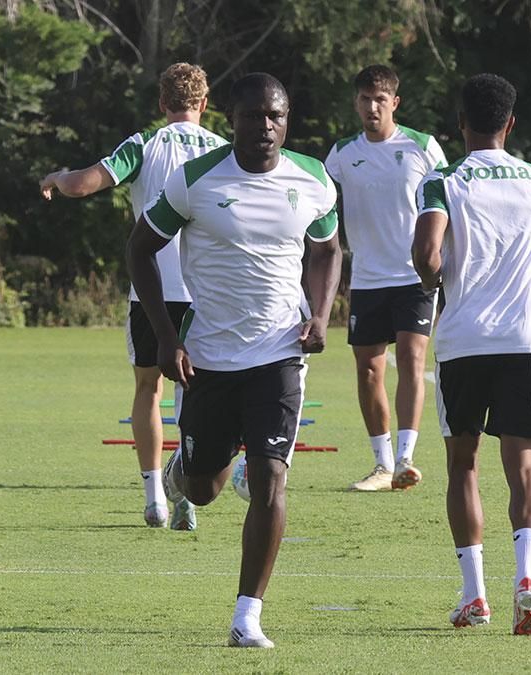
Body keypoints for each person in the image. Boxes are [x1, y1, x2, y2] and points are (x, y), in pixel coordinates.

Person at [126, 73, 341, 649]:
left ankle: (247, 615)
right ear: (232, 119)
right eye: (253, 117)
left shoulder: (314, 180)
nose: (265, 127)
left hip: (280, 355)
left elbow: (326, 250)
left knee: (271, 479)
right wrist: (168, 335)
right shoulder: (193, 180)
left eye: (275, 116)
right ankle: (179, 473)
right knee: (202, 489)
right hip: (210, 357)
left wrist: (319, 316)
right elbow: (139, 250)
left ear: (286, 118)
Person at [411, 73, 531, 635]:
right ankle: (527, 580)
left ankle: (474, 596)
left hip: (464, 341)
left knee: (463, 464)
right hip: (527, 340)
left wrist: (445, 281)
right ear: (510, 124)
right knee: (525, 467)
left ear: (461, 123)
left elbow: (428, 255)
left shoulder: (443, 180)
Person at [39, 63, 227, 531]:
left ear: (163, 104)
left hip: (153, 290)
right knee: (198, 393)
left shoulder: (145, 144)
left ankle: (154, 498)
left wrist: (57, 176)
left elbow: (83, 184)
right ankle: (188, 491)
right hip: (208, 292)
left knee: (148, 388)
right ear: (204, 105)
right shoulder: (227, 151)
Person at [323, 65, 448, 492]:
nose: (371, 107)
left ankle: (406, 460)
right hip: (367, 279)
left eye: (380, 99)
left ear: (394, 102)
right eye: (364, 99)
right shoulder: (341, 154)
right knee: (369, 372)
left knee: (413, 361)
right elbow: (319, 210)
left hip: (415, 276)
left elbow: (448, 203)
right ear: (356, 102)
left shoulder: (423, 147)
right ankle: (381, 463)